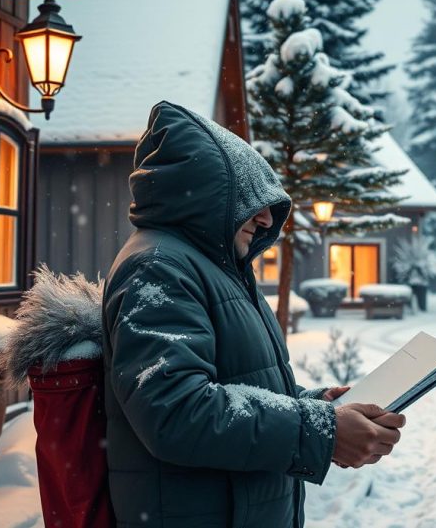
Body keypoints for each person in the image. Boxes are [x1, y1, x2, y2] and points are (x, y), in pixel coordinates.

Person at [101, 101, 404, 527]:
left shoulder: (215, 268)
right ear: (206, 198)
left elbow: (236, 385)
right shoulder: (158, 266)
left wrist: (316, 406)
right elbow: (175, 411)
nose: (264, 220)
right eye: (247, 202)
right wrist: (319, 430)